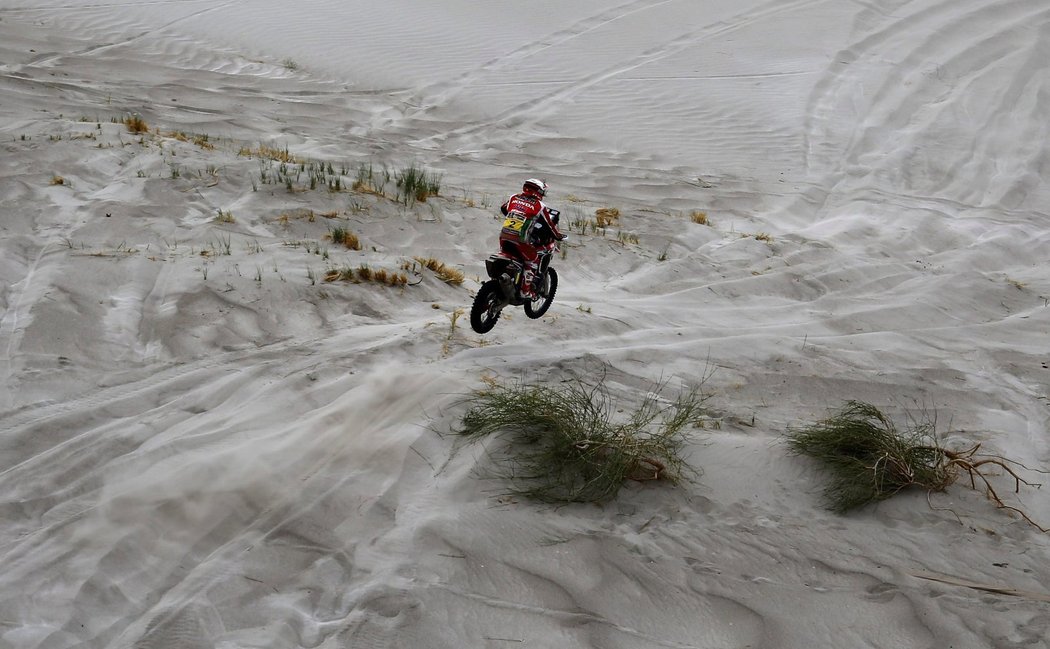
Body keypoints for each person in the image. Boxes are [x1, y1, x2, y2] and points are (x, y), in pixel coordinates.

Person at [497, 178, 565, 299]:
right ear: (538, 191)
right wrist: (558, 236)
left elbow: (504, 208)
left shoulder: (514, 197)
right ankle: (525, 291)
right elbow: (550, 225)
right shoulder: (539, 205)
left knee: (509, 255)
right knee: (532, 260)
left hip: (504, 236)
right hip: (521, 240)